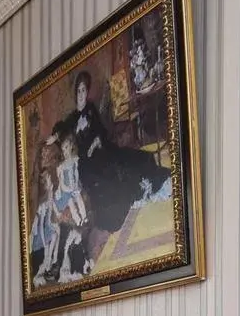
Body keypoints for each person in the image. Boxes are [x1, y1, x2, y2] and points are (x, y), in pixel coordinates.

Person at [46, 70, 171, 234]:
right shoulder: (72, 119)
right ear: (75, 92)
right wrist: (55, 137)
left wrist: (98, 140)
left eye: (84, 90)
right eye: (79, 90)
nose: (82, 94)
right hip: (87, 162)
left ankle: (147, 184)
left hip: (102, 149)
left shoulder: (90, 108)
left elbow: (101, 131)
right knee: (112, 171)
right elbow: (61, 129)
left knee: (134, 157)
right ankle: (133, 191)